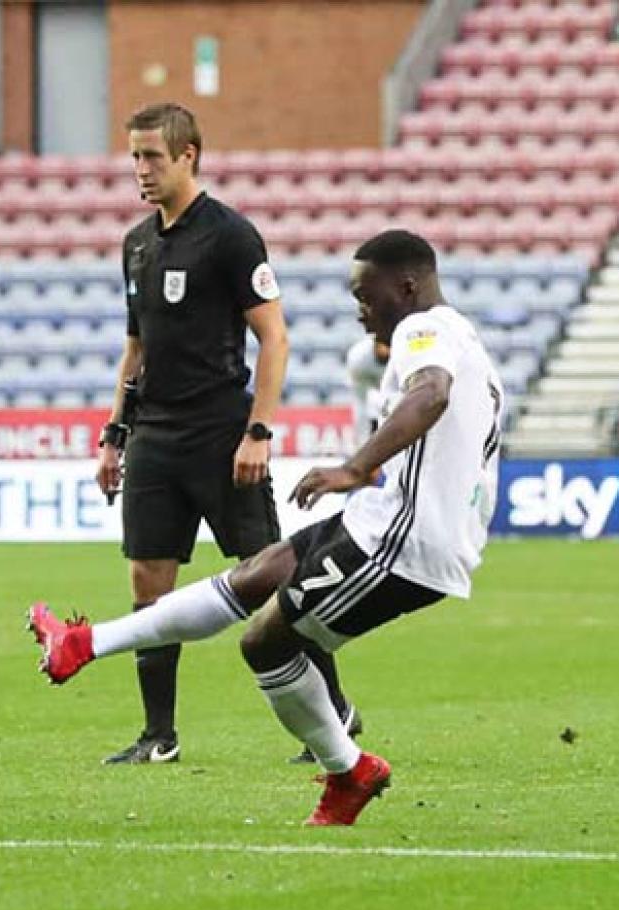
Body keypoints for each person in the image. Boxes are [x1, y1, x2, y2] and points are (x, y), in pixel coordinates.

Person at [31, 229, 504, 825]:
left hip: (404, 542)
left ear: (406, 287)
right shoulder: (464, 336)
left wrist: (356, 467)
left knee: (266, 642)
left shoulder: (421, 329)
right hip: (387, 523)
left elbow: (431, 394)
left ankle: (347, 771)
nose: (359, 309)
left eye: (365, 294)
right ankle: (83, 644)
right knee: (261, 571)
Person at [95, 101, 358, 765]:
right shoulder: (137, 243)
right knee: (147, 581)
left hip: (222, 433)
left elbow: (274, 336)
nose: (141, 170)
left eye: (152, 156)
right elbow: (137, 350)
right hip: (155, 435)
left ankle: (337, 713)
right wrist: (114, 434)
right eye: (134, 156)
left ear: (189, 156)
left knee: (273, 579)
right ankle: (160, 736)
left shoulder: (231, 236)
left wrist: (258, 430)